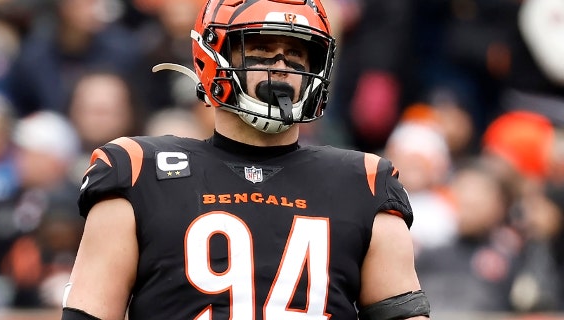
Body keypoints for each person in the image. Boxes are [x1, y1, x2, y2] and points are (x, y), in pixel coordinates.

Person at [62, 0, 430, 319]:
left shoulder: (365, 181)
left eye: (298, 54)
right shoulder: (137, 171)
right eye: (261, 51)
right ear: (212, 56)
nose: (283, 67)